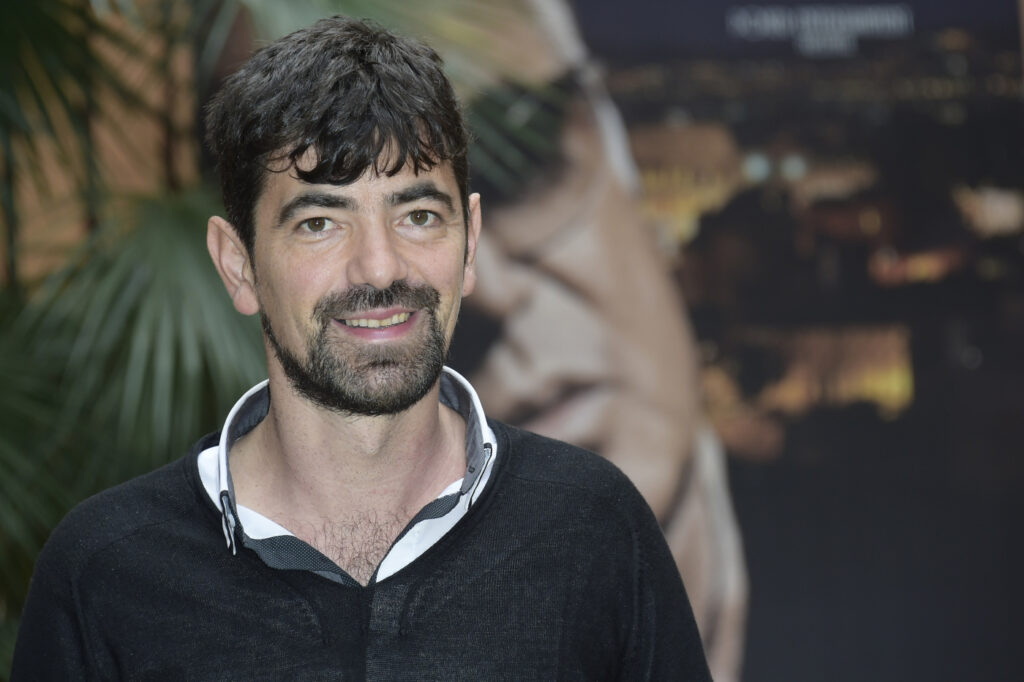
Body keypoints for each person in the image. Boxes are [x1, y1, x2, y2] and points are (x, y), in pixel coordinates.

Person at [12, 16, 711, 680]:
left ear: (468, 242)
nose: (379, 269)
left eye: (419, 215)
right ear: (238, 265)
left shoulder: (593, 527)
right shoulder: (108, 571)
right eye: (320, 222)